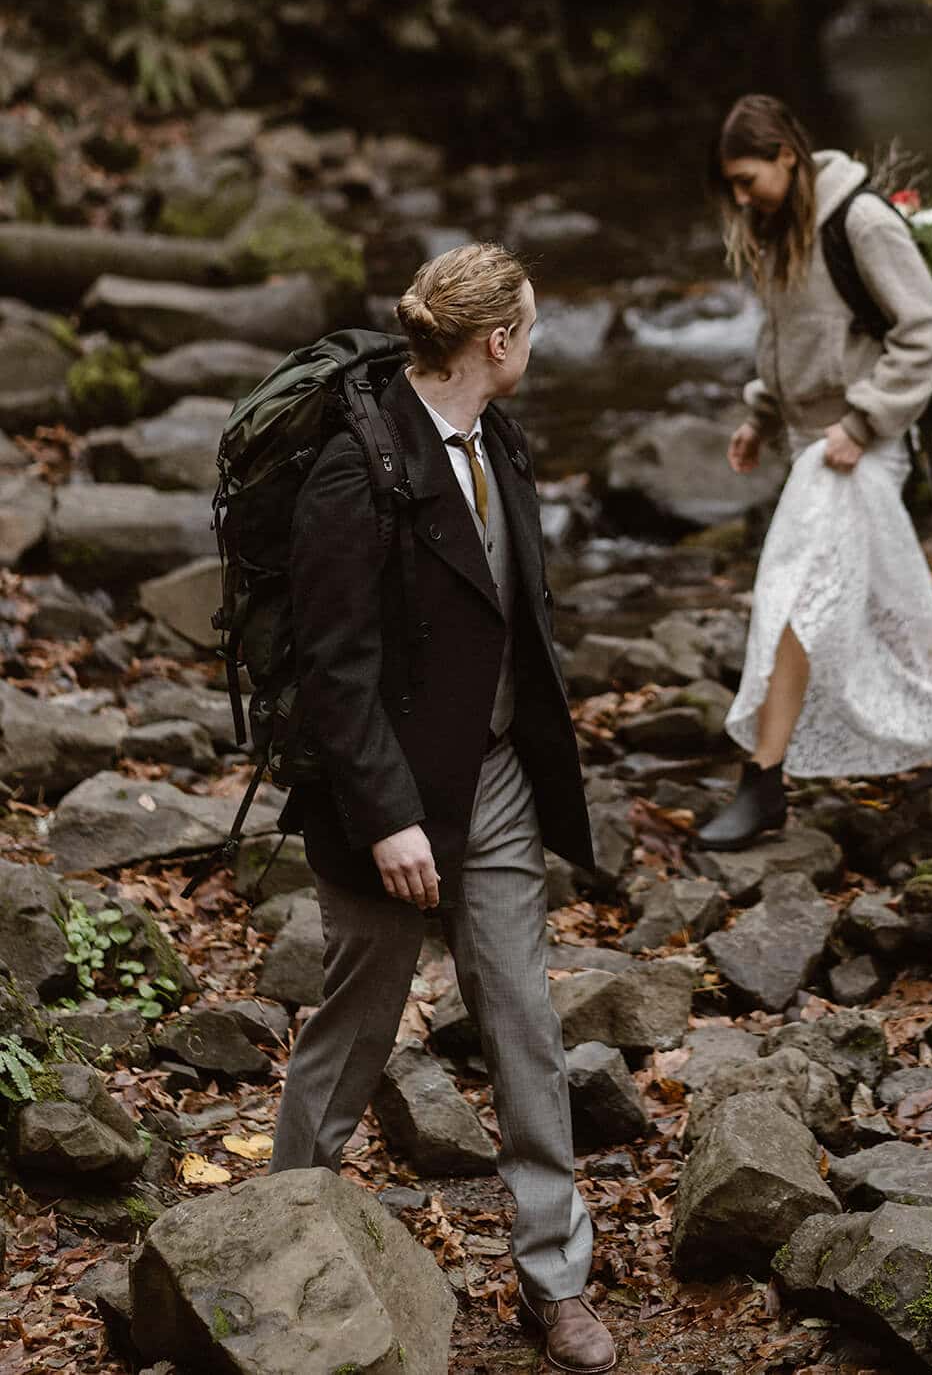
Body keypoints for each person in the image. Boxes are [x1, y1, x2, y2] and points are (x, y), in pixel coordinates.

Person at [269, 242, 615, 1375]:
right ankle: (275, 1233)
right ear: (496, 342)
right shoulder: (353, 466)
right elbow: (332, 667)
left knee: (521, 1013)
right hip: (388, 802)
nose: (538, 344)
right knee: (355, 1024)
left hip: (500, 775)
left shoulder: (496, 437)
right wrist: (386, 816)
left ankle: (553, 1279)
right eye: (532, 326)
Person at [698, 95, 932, 850]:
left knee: (796, 593)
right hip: (812, 440)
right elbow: (784, 339)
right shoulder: (775, 231)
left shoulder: (862, 221)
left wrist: (864, 420)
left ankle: (763, 779)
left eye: (749, 179)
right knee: (887, 594)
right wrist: (760, 416)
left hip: (858, 444)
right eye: (731, 186)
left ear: (786, 156)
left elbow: (925, 330)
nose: (742, 198)